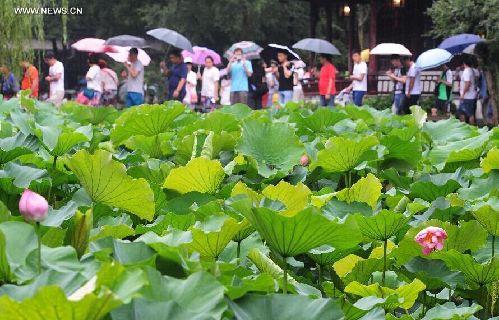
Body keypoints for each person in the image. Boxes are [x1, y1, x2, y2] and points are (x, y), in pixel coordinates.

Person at [458, 55, 478, 124]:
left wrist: (462, 94)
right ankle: (464, 129)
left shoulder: (467, 71)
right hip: (469, 96)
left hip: (467, 97)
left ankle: (471, 130)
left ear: (464, 63)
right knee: (462, 113)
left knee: (469, 114)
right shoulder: (471, 70)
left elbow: (467, 83)